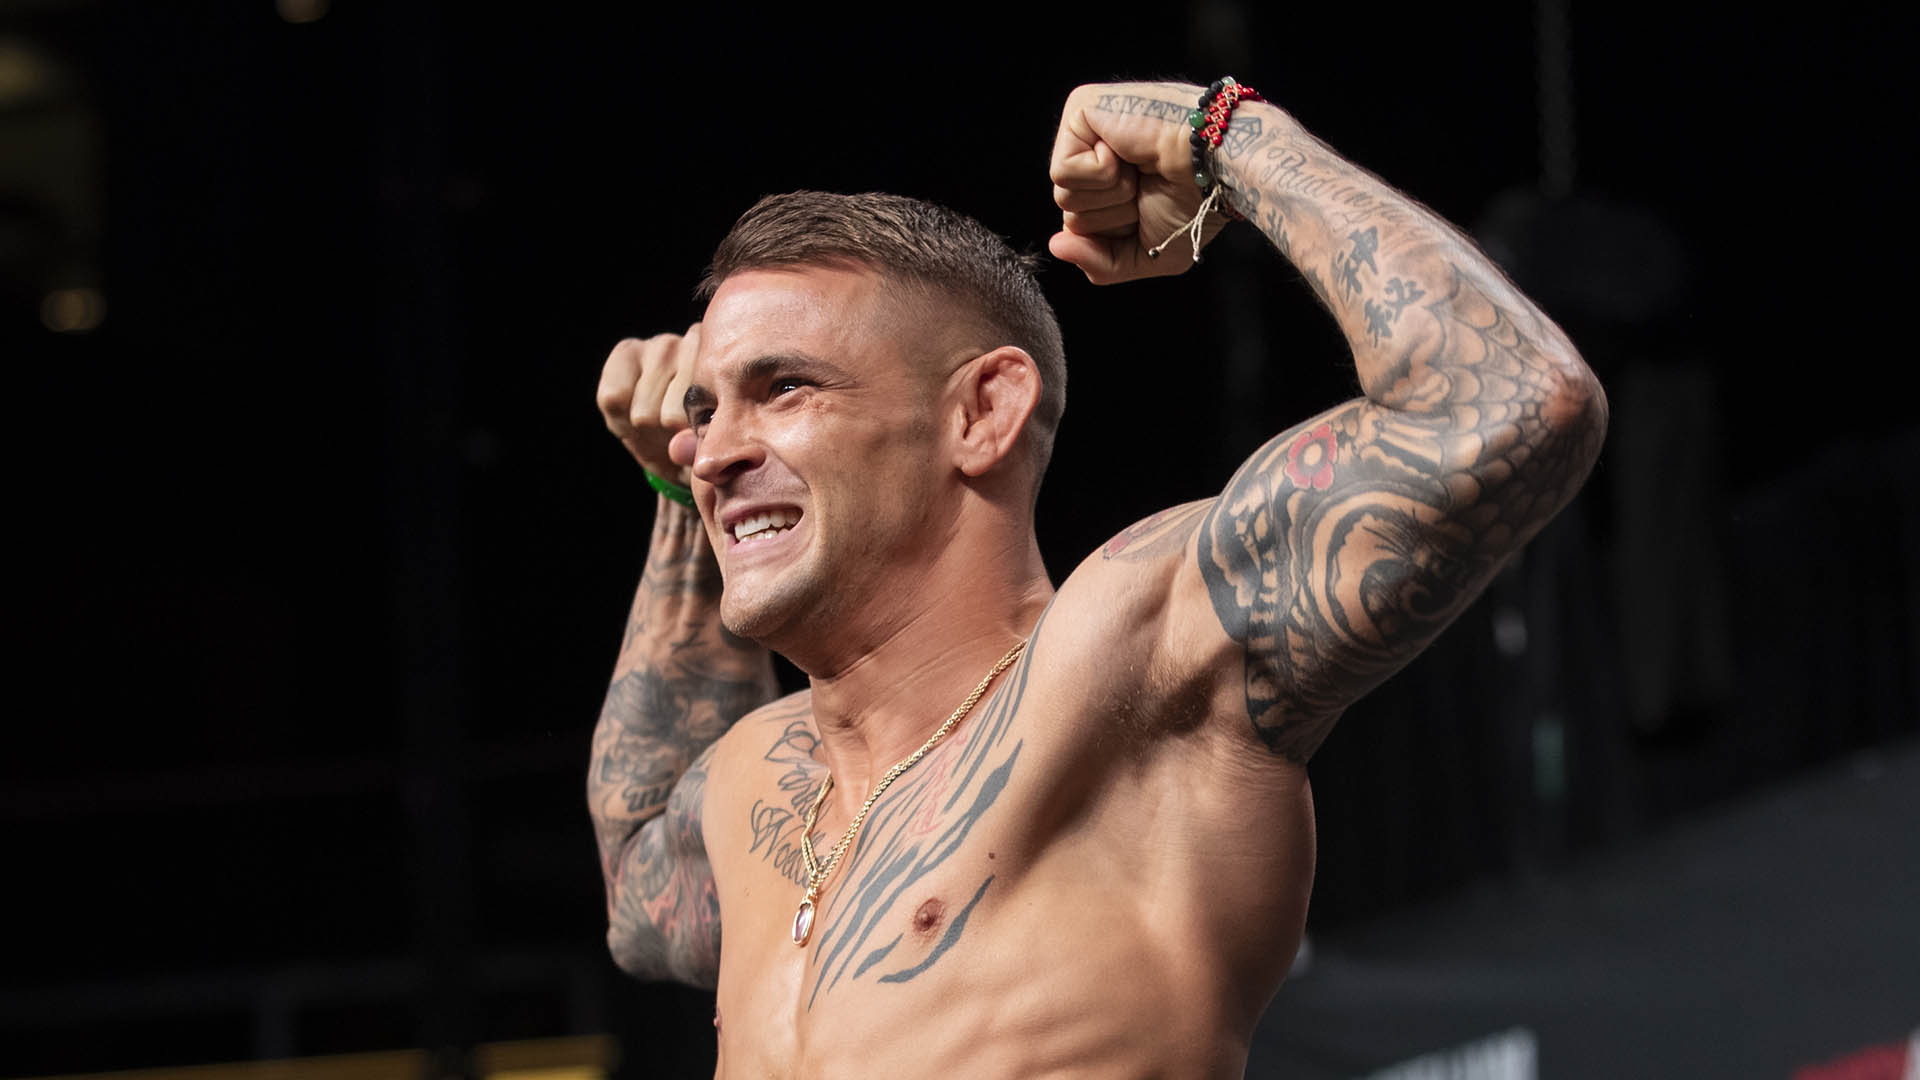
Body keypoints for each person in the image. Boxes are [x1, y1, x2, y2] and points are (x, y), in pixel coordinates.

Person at [588, 78, 1606, 1077]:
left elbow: (1513, 406)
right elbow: (639, 886)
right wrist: (675, 495)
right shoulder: (758, 783)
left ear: (982, 412)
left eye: (784, 387)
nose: (710, 451)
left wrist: (1233, 136)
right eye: (702, 414)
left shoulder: (1129, 657)